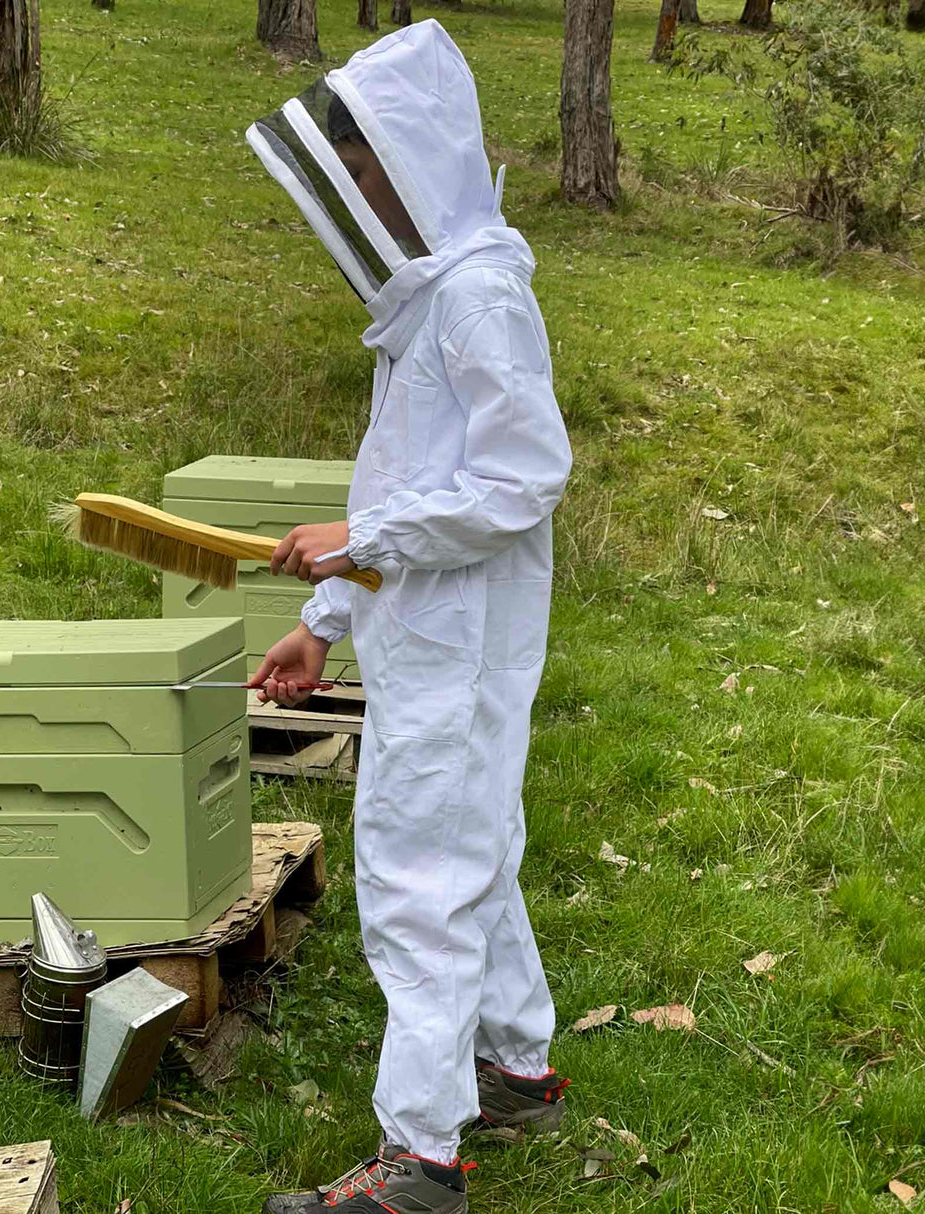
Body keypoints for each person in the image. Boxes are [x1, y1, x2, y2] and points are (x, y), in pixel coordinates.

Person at [245, 20, 573, 1214]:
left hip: (459, 638)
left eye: (374, 167)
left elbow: (521, 477)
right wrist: (323, 617)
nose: (366, 193)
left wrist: (363, 547)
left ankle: (419, 1160)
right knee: (470, 840)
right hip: (431, 631)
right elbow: (396, 478)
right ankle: (514, 1064)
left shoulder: (478, 298)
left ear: (419, 156)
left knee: (418, 871)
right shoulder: (428, 300)